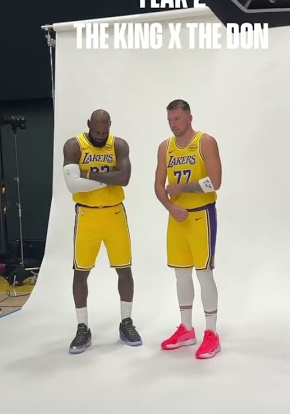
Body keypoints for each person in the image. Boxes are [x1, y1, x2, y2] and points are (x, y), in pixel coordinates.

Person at [61, 109, 142, 353]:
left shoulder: (118, 145)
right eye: (96, 131)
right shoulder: (74, 145)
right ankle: (82, 328)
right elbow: (72, 184)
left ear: (110, 126)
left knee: (124, 269)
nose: (99, 135)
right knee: (81, 272)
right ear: (88, 124)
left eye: (104, 131)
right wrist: (108, 177)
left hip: (115, 213)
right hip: (86, 215)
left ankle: (126, 322)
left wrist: (87, 174)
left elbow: (124, 178)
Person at [154, 99, 223, 359]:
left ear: (189, 118)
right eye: (170, 120)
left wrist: (183, 188)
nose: (173, 124)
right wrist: (170, 207)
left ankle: (212, 333)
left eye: (177, 119)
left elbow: (215, 182)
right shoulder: (165, 147)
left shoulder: (205, 142)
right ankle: (186, 329)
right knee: (181, 275)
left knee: (204, 274)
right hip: (177, 218)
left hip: (202, 216)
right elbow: (159, 185)